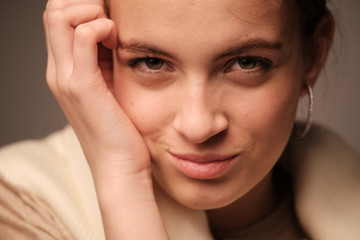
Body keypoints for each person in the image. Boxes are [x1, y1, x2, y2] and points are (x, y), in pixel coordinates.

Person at [0, 0, 359, 239]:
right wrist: (122, 180)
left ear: (313, 56)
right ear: (97, 58)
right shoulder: (20, 207)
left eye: (248, 62)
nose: (198, 125)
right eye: (152, 62)